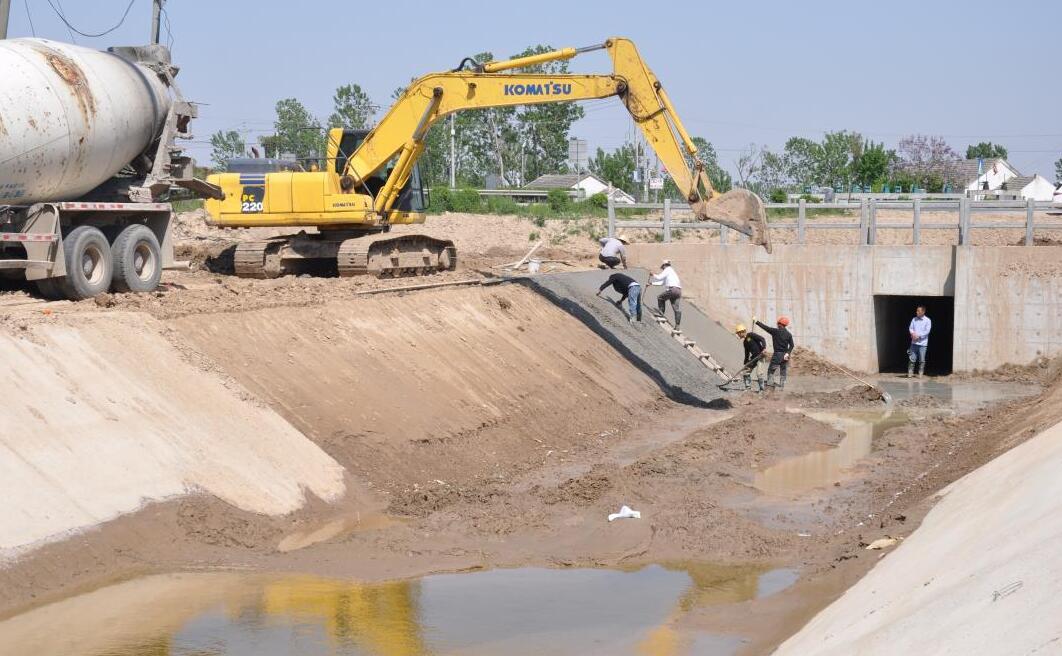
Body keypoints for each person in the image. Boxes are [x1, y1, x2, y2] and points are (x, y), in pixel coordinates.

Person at [755, 316, 794, 390]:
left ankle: (770, 386)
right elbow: (792, 345)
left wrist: (757, 322)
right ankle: (782, 387)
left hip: (777, 355)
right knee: (783, 370)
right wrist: (788, 353)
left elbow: (765, 327)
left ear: (779, 324)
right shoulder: (789, 334)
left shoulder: (775, 331)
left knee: (771, 370)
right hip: (785, 356)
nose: (777, 324)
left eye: (778, 323)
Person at [649, 259, 682, 329]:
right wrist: (651, 283)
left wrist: (653, 274)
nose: (662, 269)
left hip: (672, 290)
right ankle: (677, 325)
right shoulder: (672, 272)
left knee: (660, 298)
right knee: (676, 309)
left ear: (664, 265)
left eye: (663, 267)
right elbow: (662, 283)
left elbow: (659, 277)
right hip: (678, 291)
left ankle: (661, 313)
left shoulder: (667, 270)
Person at [735, 324, 767, 392]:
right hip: (754, 358)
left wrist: (764, 348)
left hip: (760, 356)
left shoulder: (751, 335)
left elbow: (762, 339)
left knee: (759, 373)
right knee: (746, 372)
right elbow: (747, 353)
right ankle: (748, 388)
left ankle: (762, 390)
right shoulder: (745, 342)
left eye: (738, 333)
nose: (738, 335)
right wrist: (745, 362)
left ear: (742, 332)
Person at [907, 305, 932, 378]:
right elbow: (910, 328)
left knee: (922, 359)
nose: (917, 312)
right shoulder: (914, 319)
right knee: (912, 358)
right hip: (914, 343)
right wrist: (912, 334)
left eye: (918, 311)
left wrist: (919, 336)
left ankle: (920, 373)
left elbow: (927, 331)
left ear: (923, 312)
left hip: (923, 344)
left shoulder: (928, 320)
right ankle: (910, 372)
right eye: (917, 310)